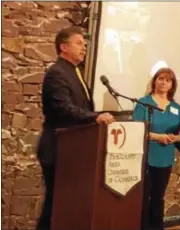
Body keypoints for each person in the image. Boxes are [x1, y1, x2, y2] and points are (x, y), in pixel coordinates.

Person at [36, 27, 115, 230]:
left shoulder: (75, 72)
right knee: (56, 203)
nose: (84, 47)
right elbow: (64, 109)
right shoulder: (56, 73)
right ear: (63, 47)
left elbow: (81, 107)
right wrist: (96, 117)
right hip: (59, 148)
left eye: (84, 44)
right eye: (79, 43)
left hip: (75, 149)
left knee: (67, 204)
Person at [133, 67, 180, 230]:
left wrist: (178, 137)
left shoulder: (176, 108)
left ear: (172, 85)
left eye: (168, 80)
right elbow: (137, 129)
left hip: (165, 159)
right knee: (144, 198)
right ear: (155, 81)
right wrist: (159, 137)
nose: (163, 82)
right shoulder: (144, 103)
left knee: (158, 197)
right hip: (147, 157)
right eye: (161, 78)